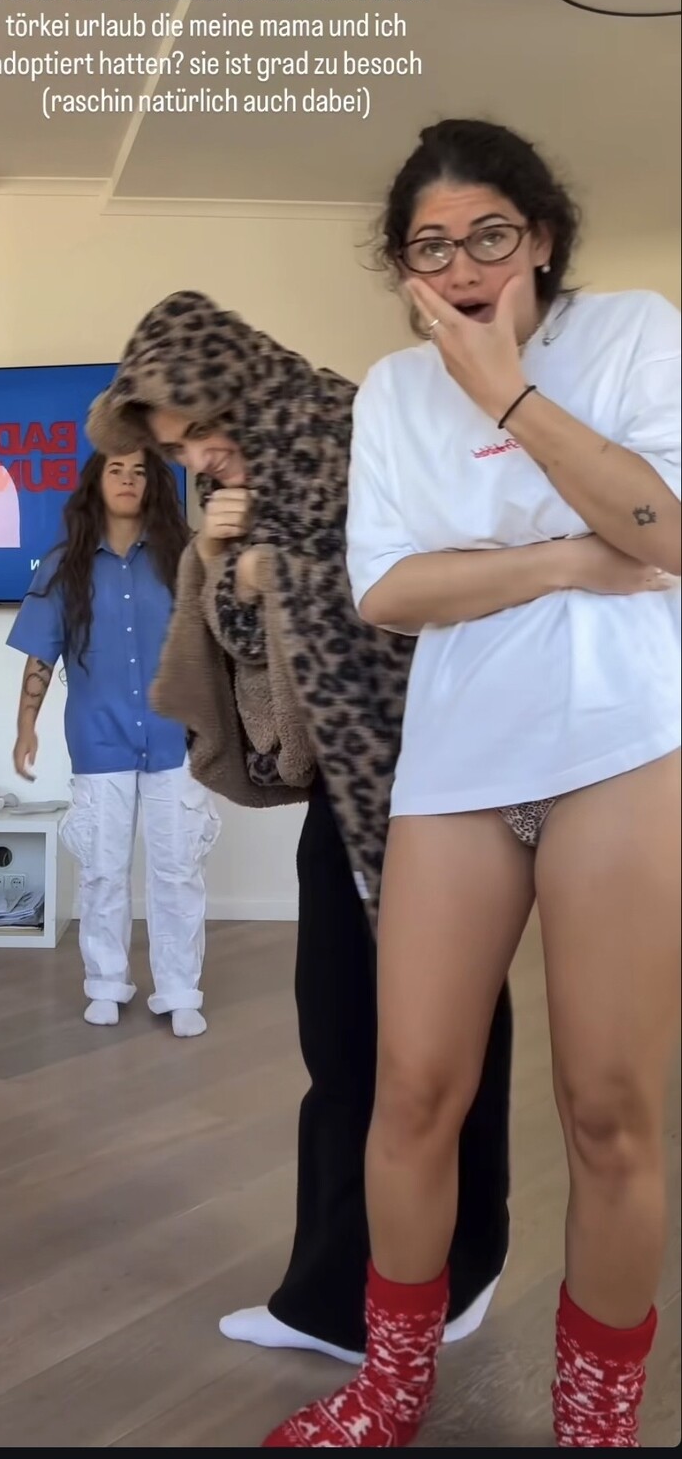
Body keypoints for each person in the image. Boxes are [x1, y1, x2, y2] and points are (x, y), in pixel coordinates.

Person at [260, 118, 681, 1449]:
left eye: (488, 234)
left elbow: (669, 530)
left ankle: (595, 1425)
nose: (459, 267)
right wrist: (567, 560)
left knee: (608, 1112)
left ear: (541, 237)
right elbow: (388, 589)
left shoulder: (631, 334)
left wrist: (507, 395)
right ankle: (390, 1388)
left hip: (620, 742)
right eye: (429, 246)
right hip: (454, 764)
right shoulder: (392, 391)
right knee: (412, 1090)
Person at [85, 291, 513, 1364]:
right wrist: (223, 557)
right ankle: (351, 1289)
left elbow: (426, 588)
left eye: (197, 429)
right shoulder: (255, 471)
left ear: (235, 382)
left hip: (433, 774)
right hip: (355, 788)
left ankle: (443, 1275)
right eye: (177, 447)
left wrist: (275, 569)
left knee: (425, 1042)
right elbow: (249, 642)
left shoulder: (352, 427)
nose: (196, 456)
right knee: (351, 1040)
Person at [6, 447, 220, 1037]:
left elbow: (215, 644)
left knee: (178, 868)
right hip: (98, 738)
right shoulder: (64, 564)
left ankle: (180, 990)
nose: (128, 480)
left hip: (178, 737)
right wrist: (26, 726)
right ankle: (105, 983)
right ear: (95, 483)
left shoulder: (183, 557)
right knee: (102, 869)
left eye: (139, 471)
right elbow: (41, 652)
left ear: (154, 484)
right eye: (115, 470)